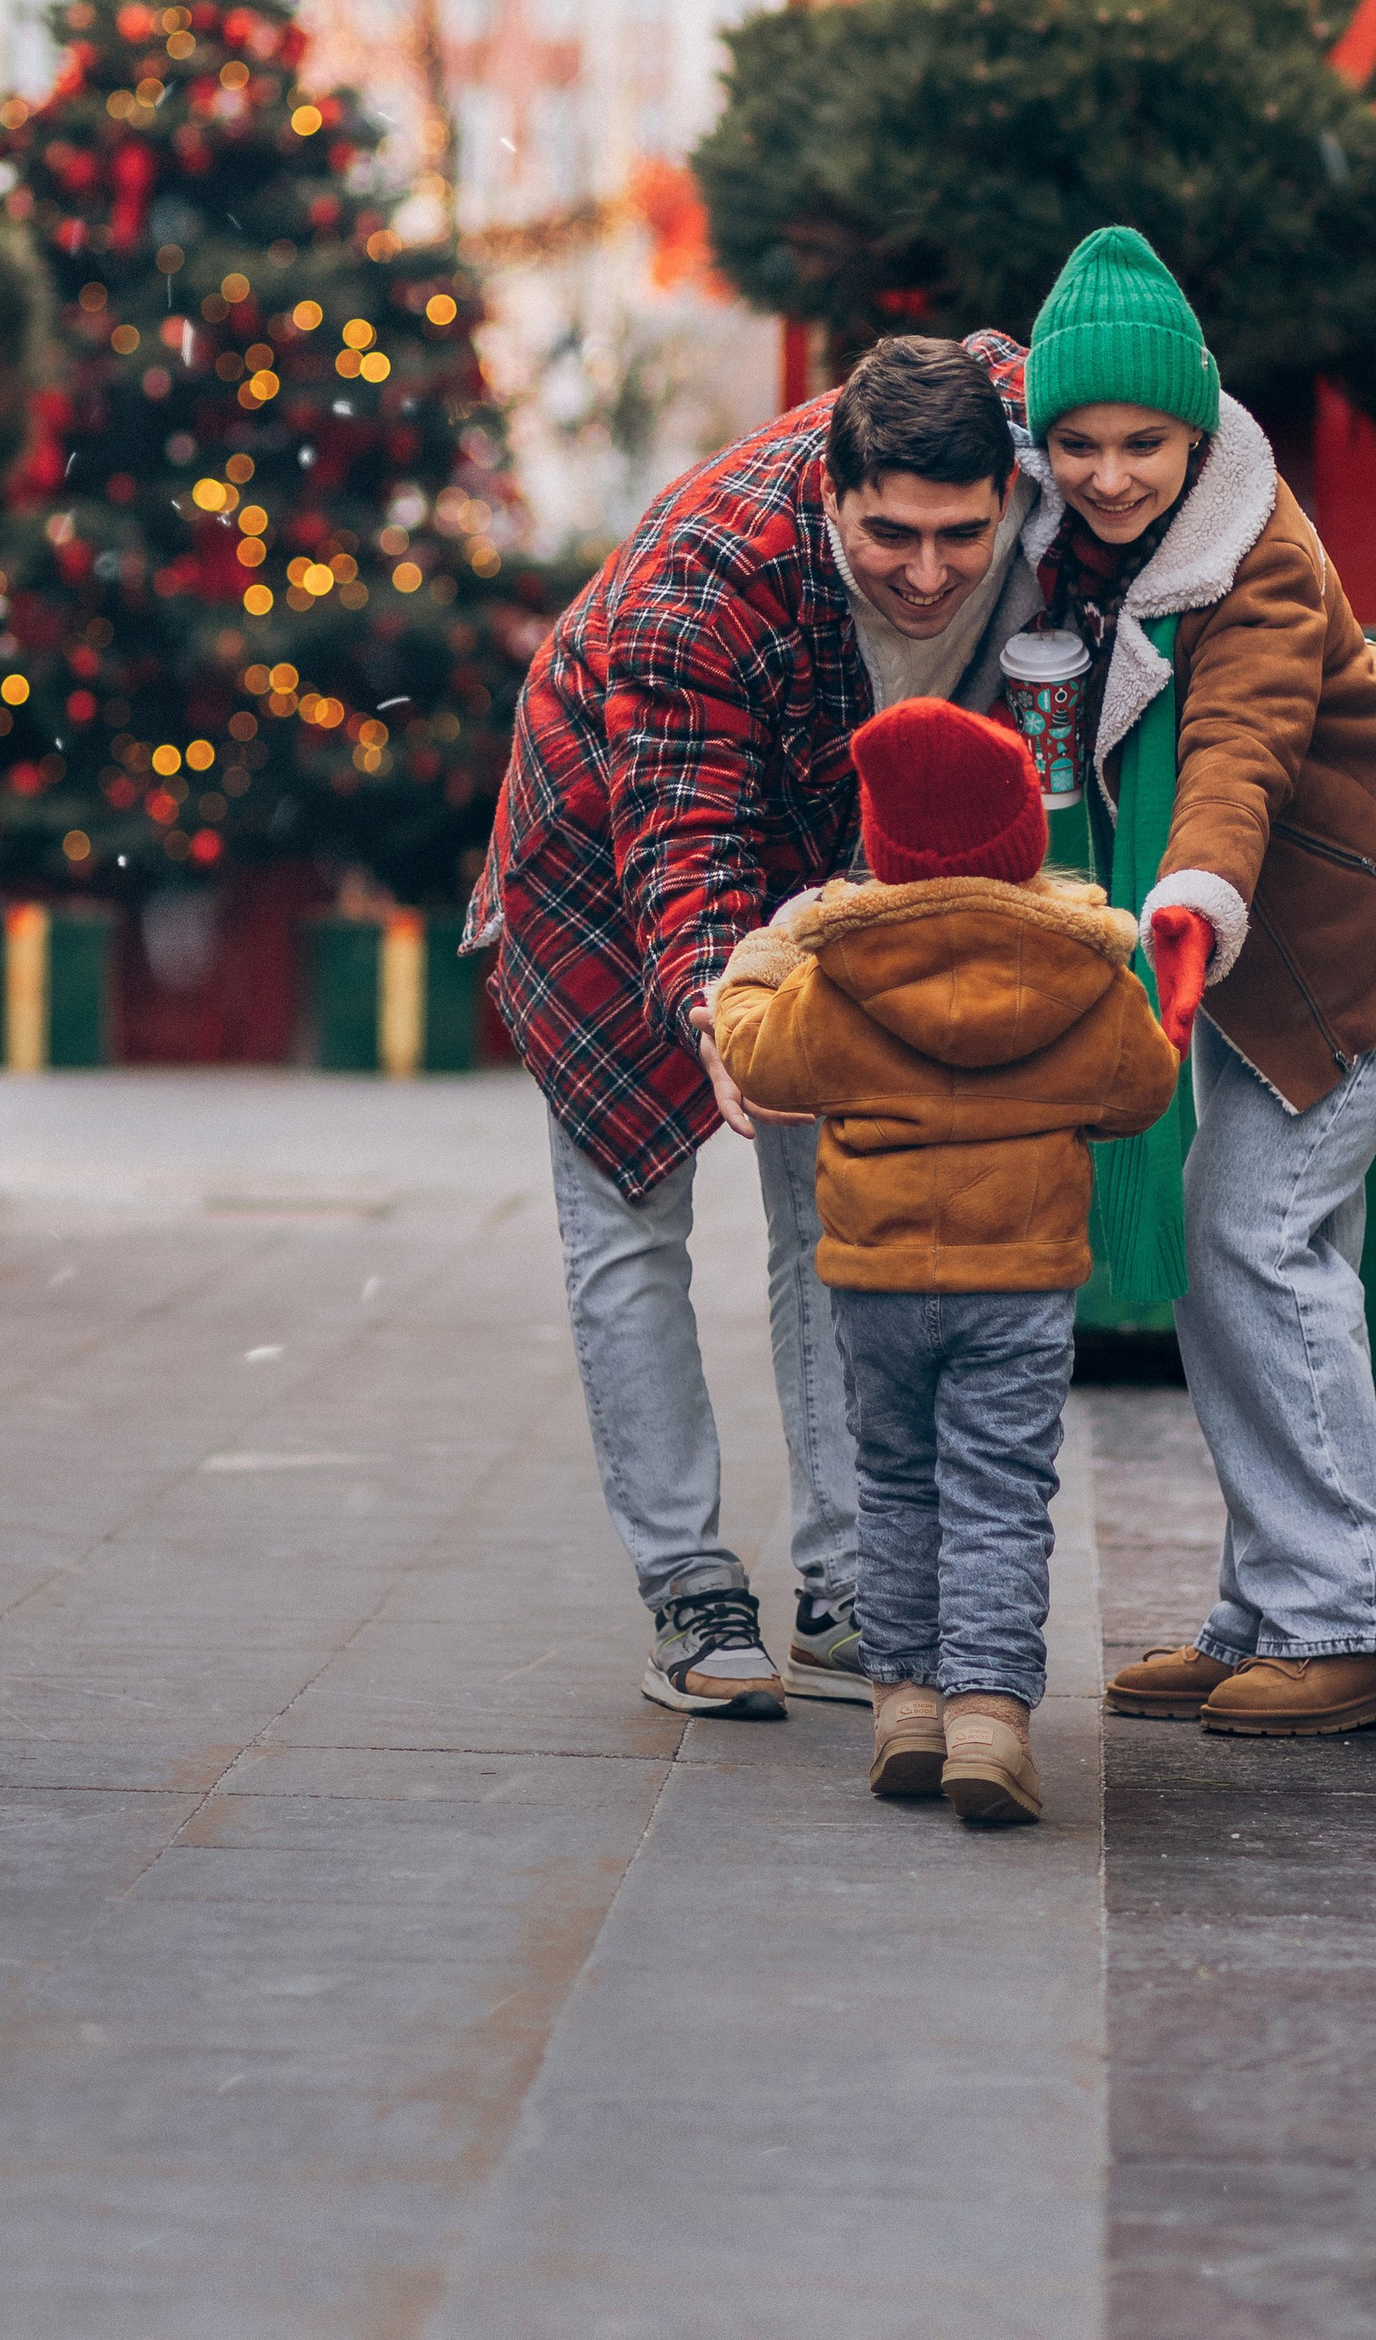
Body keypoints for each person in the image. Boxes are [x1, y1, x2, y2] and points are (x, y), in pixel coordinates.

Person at [464, 336, 1046, 1719]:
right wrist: (721, 1012)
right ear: (832, 492)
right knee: (629, 1216)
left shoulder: (1042, 425)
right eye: (889, 535)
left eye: (961, 537)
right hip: (608, 846)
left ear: (1009, 488)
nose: (928, 573)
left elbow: (1153, 395)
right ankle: (688, 1584)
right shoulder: (708, 578)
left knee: (834, 1205)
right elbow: (686, 840)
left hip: (832, 842)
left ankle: (846, 1591)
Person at [1009, 226, 1376, 1740]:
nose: (1109, 474)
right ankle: (1270, 1609)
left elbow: (1237, 746)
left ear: (1196, 430)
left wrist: (1188, 897)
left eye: (1142, 443)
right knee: (1252, 1252)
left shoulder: (1258, 553)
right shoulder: (1068, 553)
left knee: (1247, 1234)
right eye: (1079, 443)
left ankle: (1352, 1617)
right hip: (1259, 955)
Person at [713, 699, 1178, 1825]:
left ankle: (908, 1709)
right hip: (1018, 1283)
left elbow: (756, 1057)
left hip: (875, 1282)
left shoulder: (839, 970)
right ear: (1022, 837)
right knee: (999, 1492)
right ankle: (989, 1720)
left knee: (894, 1482)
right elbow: (1142, 1090)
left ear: (882, 845)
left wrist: (766, 950)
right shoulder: (1081, 968)